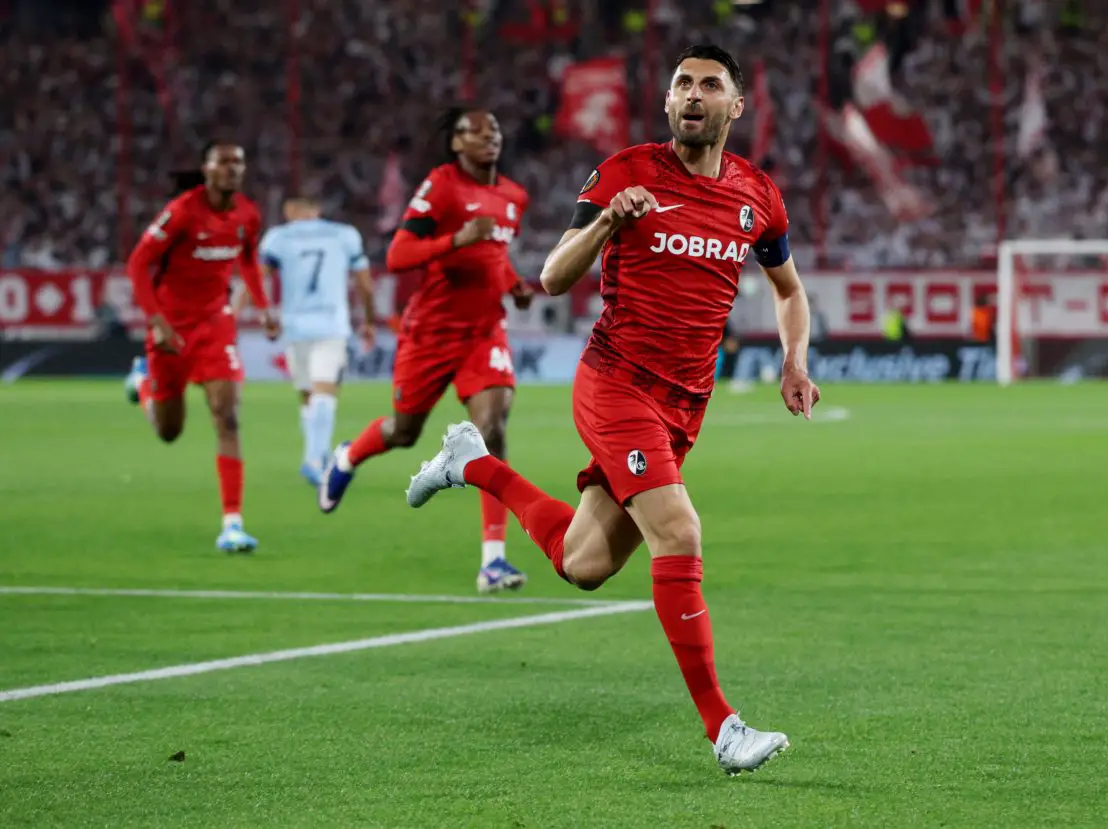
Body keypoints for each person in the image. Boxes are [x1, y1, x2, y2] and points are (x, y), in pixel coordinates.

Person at [405, 45, 820, 773]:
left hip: (683, 405)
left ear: (735, 106)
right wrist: (606, 226)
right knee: (680, 531)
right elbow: (551, 275)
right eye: (682, 84)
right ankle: (724, 726)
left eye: (710, 85)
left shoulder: (758, 196)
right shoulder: (626, 172)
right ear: (667, 104)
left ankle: (471, 462)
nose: (694, 94)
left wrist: (795, 360)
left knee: (583, 563)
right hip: (615, 381)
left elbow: (788, 290)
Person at [319, 107, 536, 594]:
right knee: (402, 431)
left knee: (492, 428)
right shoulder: (441, 186)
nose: (488, 137)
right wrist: (456, 237)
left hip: (483, 331)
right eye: (474, 132)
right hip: (431, 333)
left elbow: (494, 257)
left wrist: (513, 284)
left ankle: (493, 561)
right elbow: (397, 256)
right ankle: (348, 457)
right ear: (456, 145)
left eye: (494, 129)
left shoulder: (513, 196)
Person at [123, 141, 279, 553]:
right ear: (206, 169)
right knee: (168, 431)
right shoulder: (183, 211)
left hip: (215, 327)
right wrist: (156, 322)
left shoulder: (248, 213)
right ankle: (142, 383)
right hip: (171, 330)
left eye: (238, 161)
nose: (232, 168)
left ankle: (232, 524)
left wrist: (263, 308)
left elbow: (247, 261)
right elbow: (139, 262)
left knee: (227, 418)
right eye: (223, 161)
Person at [248, 196, 375, 486]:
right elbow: (365, 284)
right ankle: (316, 459)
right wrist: (368, 320)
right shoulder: (345, 234)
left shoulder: (278, 237)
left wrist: (263, 313)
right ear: (317, 210)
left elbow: (257, 278)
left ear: (289, 211)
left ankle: (315, 456)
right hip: (331, 324)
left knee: (308, 394)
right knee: (324, 393)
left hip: (295, 326)